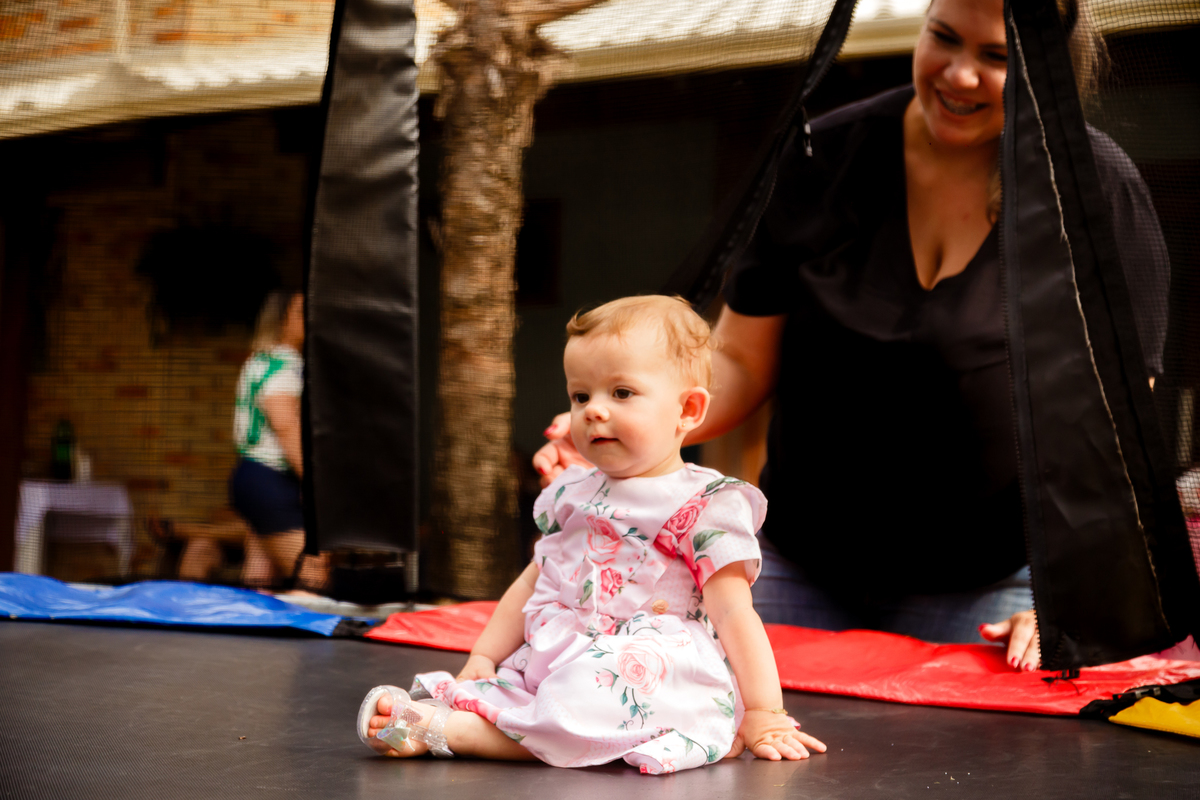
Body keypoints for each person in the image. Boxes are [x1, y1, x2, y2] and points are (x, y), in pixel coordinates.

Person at [534, 0, 1170, 672]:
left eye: (996, 57)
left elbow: (1114, 438)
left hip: (986, 581)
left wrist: (1071, 596)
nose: (958, 74)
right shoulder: (824, 155)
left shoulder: (1095, 192)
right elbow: (740, 360)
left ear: (1046, 67)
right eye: (943, 38)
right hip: (795, 564)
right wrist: (630, 419)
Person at [358, 295, 826, 774]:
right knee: (523, 688)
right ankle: (440, 724)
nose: (593, 411)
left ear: (687, 408)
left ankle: (454, 733)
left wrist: (765, 712)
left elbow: (734, 613)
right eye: (581, 396)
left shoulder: (705, 503)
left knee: (589, 696)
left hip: (648, 667)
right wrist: (484, 655)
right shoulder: (573, 492)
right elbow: (534, 579)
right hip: (560, 658)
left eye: (621, 393)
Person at [230, 290, 327, 591]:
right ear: (282, 320)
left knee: (261, 581)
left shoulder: (262, 360)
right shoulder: (284, 367)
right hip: (270, 480)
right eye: (301, 312)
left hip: (255, 477)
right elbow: (285, 427)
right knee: (314, 575)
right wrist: (314, 485)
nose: (311, 318)